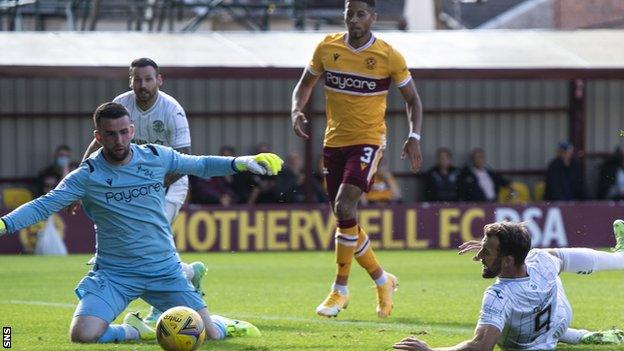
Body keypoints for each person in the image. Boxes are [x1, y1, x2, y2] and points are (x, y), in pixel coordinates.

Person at [0, 102, 282, 344]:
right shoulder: (86, 175)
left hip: (163, 269)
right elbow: (44, 204)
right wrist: (5, 224)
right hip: (115, 274)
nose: (119, 140)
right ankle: (133, 330)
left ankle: (223, 323)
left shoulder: (156, 157)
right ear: (98, 137)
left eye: (124, 132)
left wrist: (240, 162)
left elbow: (200, 164)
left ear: (132, 131)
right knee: (83, 334)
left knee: (210, 335)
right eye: (111, 135)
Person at [291, 0, 423, 318]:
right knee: (344, 216)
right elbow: (304, 84)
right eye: (349, 14)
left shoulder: (389, 56)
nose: (354, 20)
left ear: (373, 18)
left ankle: (339, 290)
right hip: (334, 142)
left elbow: (413, 100)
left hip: (368, 141)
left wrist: (413, 136)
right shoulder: (327, 48)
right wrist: (296, 108)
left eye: (361, 14)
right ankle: (382, 279)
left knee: (345, 206)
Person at [77, 58, 201, 324]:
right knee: (145, 244)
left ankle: (162, 305)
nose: (142, 85)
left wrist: (151, 187)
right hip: (130, 182)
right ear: (130, 80)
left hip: (169, 182)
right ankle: (188, 274)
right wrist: (78, 182)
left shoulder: (172, 110)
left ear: (159, 80)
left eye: (148, 79)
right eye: (137, 79)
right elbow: (98, 143)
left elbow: (184, 157)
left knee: (151, 239)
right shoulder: (121, 103)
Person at [393, 220, 624, 351]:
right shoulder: (541, 261)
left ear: (508, 261)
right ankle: (621, 259)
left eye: (487, 252)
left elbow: (481, 346)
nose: (478, 257)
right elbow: (566, 257)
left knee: (509, 324)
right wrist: (490, 246)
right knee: (552, 258)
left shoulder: (498, 295)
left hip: (529, 345)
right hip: (559, 322)